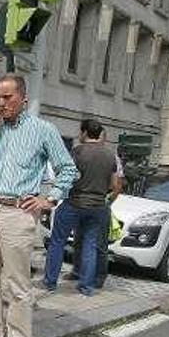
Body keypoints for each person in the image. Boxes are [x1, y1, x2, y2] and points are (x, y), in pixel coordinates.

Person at [0, 74, 77, 337]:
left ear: (23, 99)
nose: (1, 104)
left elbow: (67, 169)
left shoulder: (43, 130)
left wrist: (49, 199)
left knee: (17, 283)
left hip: (17, 211)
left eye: (7, 98)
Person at [41, 119, 118, 297]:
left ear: (84, 133)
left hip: (74, 203)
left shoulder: (77, 152)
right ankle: (86, 287)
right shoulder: (110, 155)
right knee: (90, 245)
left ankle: (50, 282)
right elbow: (114, 184)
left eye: (80, 132)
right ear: (99, 134)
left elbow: (67, 175)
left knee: (57, 241)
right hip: (98, 206)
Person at [63, 143, 123, 288]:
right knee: (83, 240)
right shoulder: (109, 157)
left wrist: (108, 201)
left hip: (92, 203)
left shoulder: (108, 157)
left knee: (95, 243)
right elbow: (117, 185)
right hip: (96, 203)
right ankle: (84, 273)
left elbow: (116, 185)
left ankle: (97, 276)